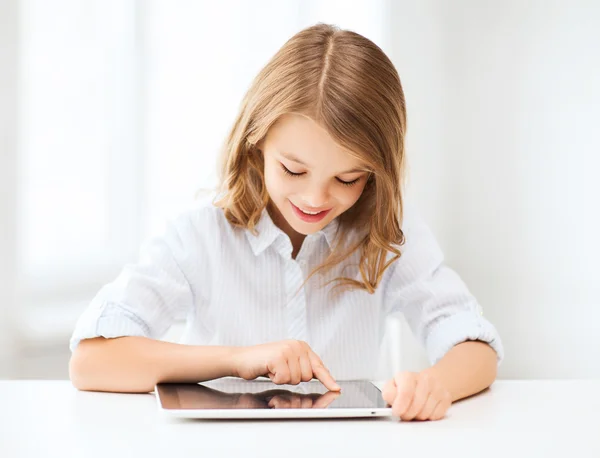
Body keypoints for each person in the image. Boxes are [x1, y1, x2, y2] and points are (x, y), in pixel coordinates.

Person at [69, 23, 503, 422]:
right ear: (255, 143)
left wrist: (434, 385)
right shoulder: (201, 236)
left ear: (374, 176)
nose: (315, 199)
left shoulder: (386, 233)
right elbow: (91, 360)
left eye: (347, 179)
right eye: (293, 170)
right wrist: (237, 360)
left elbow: (475, 344)